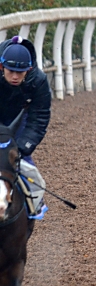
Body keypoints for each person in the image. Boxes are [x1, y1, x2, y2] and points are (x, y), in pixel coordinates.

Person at [0, 35, 51, 220]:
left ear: (28, 70)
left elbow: (39, 117)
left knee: (21, 159)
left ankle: (34, 204)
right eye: (10, 71)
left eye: (20, 72)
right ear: (1, 66)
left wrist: (22, 147)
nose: (15, 76)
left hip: (21, 117)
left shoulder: (39, 81)